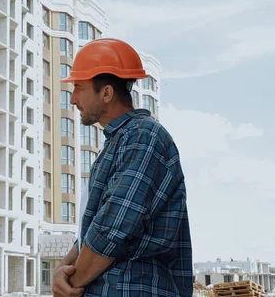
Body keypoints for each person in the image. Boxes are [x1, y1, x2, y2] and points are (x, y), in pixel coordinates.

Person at [51, 38, 193, 297]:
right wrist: (61, 270)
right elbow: (92, 229)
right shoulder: (118, 144)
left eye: (79, 88)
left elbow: (112, 230)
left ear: (106, 93)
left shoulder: (143, 137)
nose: (72, 99)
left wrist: (71, 284)